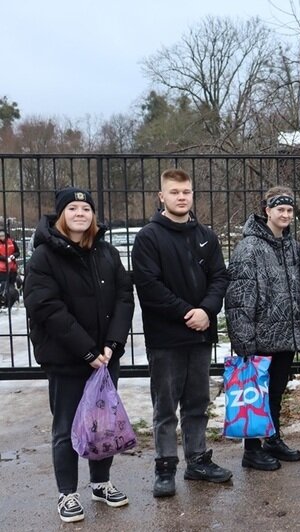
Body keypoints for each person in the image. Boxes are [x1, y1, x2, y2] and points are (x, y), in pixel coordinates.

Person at [24, 188, 134, 522]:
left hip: (104, 358)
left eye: (86, 208)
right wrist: (85, 350)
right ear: (60, 215)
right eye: (72, 208)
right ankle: (67, 493)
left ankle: (100, 483)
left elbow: (124, 298)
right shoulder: (44, 257)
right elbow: (45, 307)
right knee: (66, 426)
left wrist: (111, 345)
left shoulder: (107, 253)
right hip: (67, 358)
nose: (80, 214)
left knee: (103, 423)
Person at [132, 168, 231, 498]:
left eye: (186, 191)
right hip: (166, 339)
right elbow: (148, 286)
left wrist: (206, 310)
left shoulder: (206, 236)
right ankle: (165, 467)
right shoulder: (149, 237)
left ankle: (198, 461)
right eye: (174, 192)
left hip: (200, 336)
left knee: (197, 403)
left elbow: (220, 277)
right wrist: (186, 313)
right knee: (164, 407)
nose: (181, 197)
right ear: (162, 196)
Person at [225, 186, 300, 471]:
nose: (285, 214)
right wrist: (243, 337)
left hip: (285, 335)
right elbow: (239, 296)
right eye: (279, 209)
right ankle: (252, 449)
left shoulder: (292, 246)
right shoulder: (249, 247)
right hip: (260, 336)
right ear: (267, 210)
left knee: (275, 392)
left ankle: (272, 438)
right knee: (255, 395)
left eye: (289, 210)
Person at [0, 227, 20, 306]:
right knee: (4, 285)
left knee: (11, 285)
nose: (1, 237)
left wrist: (13, 256)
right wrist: (5, 259)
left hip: (12, 268)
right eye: (0, 235)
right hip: (2, 269)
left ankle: (10, 301)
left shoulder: (11, 242)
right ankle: (3, 301)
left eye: (2, 235)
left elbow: (17, 252)